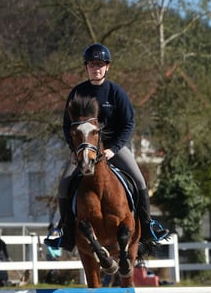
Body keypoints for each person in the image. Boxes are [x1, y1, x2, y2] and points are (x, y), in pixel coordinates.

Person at [45, 42, 169, 252]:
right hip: (84, 150)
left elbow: (129, 123)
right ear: (86, 67)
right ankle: (64, 231)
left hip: (113, 149)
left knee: (139, 179)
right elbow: (68, 125)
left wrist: (114, 148)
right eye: (92, 65)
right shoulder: (77, 93)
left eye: (100, 64)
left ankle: (148, 226)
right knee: (64, 182)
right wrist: (74, 150)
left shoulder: (115, 92)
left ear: (107, 67)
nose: (96, 68)